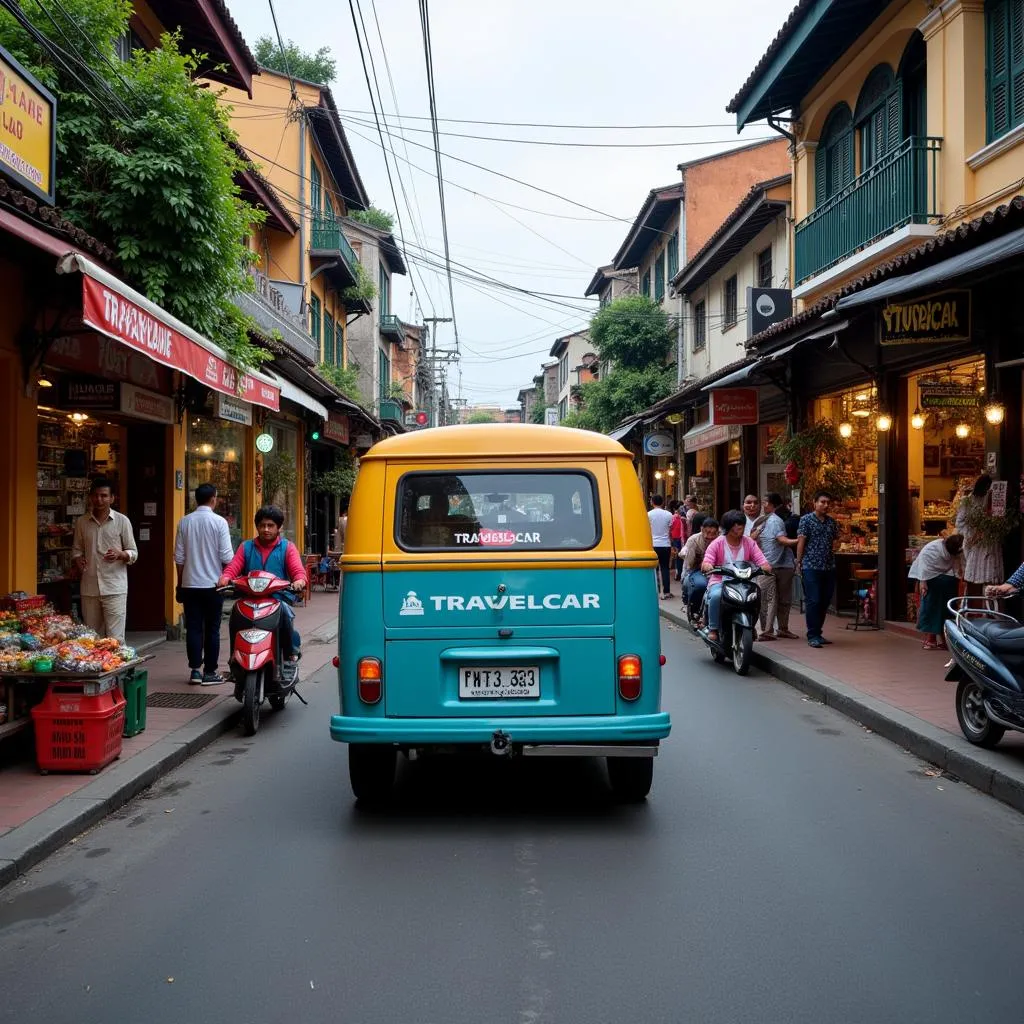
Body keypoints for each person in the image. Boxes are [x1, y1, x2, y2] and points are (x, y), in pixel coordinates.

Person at [217, 506, 307, 665]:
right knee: (235, 614)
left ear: (278, 527)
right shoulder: (246, 547)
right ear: (257, 526)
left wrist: (299, 581)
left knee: (286, 614)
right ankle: (234, 658)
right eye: (262, 525)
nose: (266, 529)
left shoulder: (288, 548)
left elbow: (298, 571)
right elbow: (233, 567)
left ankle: (290, 652)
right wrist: (225, 577)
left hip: (278, 599)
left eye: (270, 525)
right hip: (249, 598)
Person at [174, 483, 234, 685]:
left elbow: (179, 558)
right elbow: (227, 556)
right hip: (213, 585)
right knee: (212, 628)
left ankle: (195, 671)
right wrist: (228, 578)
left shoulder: (184, 522)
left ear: (195, 500)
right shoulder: (219, 522)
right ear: (213, 499)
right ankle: (210, 671)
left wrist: (179, 584)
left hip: (190, 584)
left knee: (193, 628)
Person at [71, 477, 137, 643]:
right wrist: (78, 559)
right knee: (92, 637)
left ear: (112, 498)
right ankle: (97, 668)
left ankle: (119, 669)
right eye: (95, 495)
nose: (99, 499)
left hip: (114, 588)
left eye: (104, 495)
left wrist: (121, 554)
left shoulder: (122, 521)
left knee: (115, 638)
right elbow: (76, 549)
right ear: (90, 497)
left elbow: (133, 552)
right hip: (89, 588)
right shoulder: (81, 522)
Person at [700, 510, 772, 644]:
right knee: (716, 596)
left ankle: (750, 625)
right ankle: (713, 628)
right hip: (720, 581)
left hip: (744, 582)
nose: (739, 530)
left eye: (741, 526)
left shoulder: (749, 542)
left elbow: (762, 560)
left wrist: (765, 567)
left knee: (756, 595)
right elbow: (707, 561)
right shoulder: (717, 543)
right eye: (735, 527)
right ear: (728, 528)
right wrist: (708, 565)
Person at [796, 490, 841, 649]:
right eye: (822, 502)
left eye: (828, 503)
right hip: (810, 565)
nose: (825, 505)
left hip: (828, 565)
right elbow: (801, 541)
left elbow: (836, 540)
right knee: (813, 600)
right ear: (814, 503)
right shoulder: (806, 520)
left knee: (825, 600)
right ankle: (812, 634)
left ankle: (818, 632)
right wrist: (798, 562)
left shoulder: (832, 522)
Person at [751, 493, 799, 640]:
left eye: (765, 502)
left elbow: (781, 540)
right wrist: (799, 541)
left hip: (774, 564)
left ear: (773, 505)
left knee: (772, 598)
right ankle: (771, 630)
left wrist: (799, 541)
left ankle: (772, 630)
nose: (763, 505)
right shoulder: (763, 520)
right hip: (770, 564)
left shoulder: (775, 521)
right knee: (773, 599)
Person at [908, 534, 964, 650]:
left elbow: (957, 567)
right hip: (932, 580)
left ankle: (941, 639)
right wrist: (923, 582)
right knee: (936, 608)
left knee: (939, 609)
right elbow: (924, 566)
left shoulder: (953, 551)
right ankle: (936, 639)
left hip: (946, 581)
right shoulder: (932, 549)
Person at [955, 475, 1004, 597]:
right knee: (974, 577)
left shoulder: (993, 500)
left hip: (990, 542)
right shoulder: (968, 501)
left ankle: (988, 606)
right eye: (986, 487)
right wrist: (973, 534)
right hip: (975, 542)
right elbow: (959, 523)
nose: (988, 490)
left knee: (990, 577)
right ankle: (973, 605)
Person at [681, 515, 717, 618]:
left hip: (717, 570)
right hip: (696, 570)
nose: (710, 536)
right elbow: (689, 564)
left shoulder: (720, 539)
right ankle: (695, 613)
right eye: (707, 532)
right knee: (700, 585)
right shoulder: (694, 540)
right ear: (702, 529)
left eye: (713, 533)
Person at [648, 494, 674, 599]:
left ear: (652, 502)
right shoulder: (669, 515)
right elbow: (670, 531)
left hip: (653, 544)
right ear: (662, 502)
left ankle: (657, 591)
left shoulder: (648, 514)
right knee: (665, 568)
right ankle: (667, 591)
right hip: (665, 544)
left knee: (655, 568)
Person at [669, 500, 688, 581]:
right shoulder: (684, 518)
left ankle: (678, 574)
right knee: (682, 556)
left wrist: (670, 539)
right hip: (683, 538)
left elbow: (670, 529)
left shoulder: (673, 518)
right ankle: (682, 573)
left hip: (675, 538)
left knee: (677, 557)